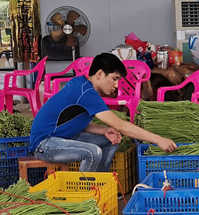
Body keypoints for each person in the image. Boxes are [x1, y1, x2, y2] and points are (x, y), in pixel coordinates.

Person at [29, 52, 177, 171]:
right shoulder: (85, 92)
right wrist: (158, 139)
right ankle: (85, 195)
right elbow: (121, 125)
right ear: (99, 74)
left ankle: (100, 183)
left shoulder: (82, 84)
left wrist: (105, 130)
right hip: (45, 145)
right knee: (93, 152)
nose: (117, 85)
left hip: (64, 137)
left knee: (112, 138)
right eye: (115, 78)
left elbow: (77, 122)